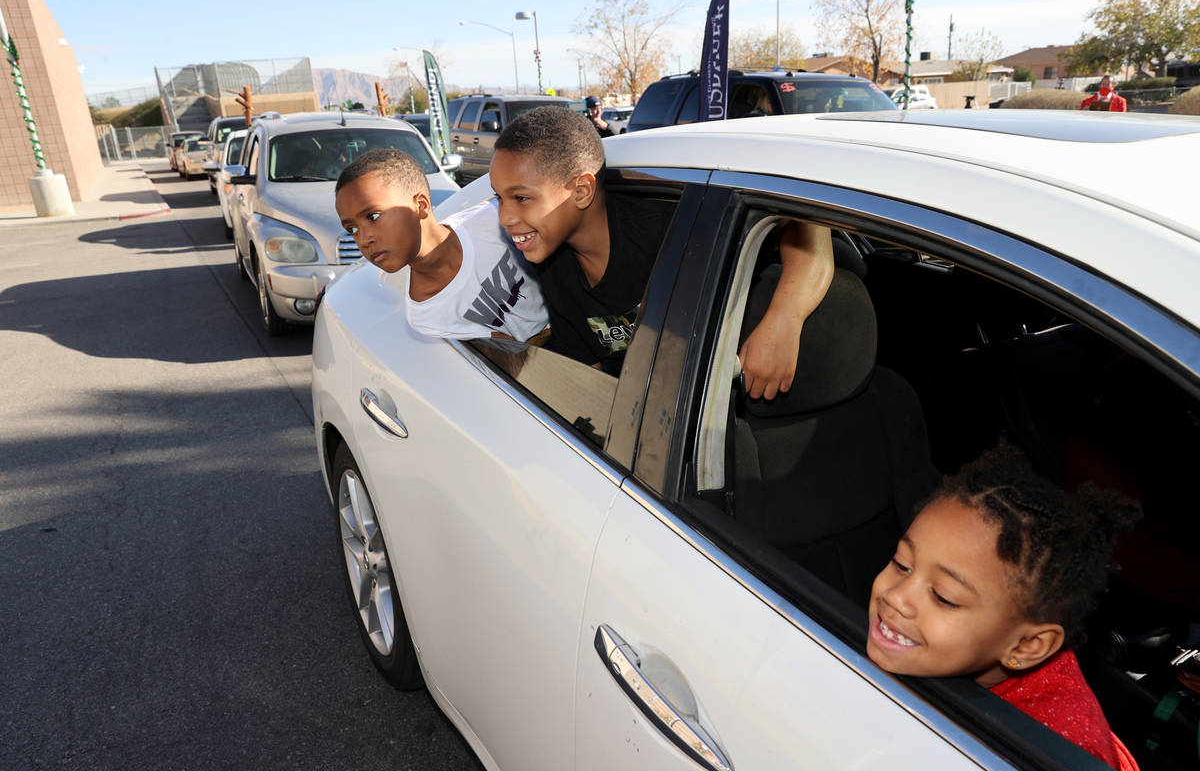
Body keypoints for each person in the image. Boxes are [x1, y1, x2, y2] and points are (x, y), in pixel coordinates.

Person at [490, 105, 833, 395]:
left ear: (581, 191)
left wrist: (784, 320)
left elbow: (806, 219)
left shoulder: (671, 226)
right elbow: (590, 380)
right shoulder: (555, 270)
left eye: (521, 198)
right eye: (499, 198)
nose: (505, 217)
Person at [867, 442, 1141, 770]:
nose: (896, 596)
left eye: (943, 597)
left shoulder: (1044, 753)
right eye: (902, 564)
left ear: (1026, 646)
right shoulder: (986, 643)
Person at [335, 148, 546, 341]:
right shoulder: (425, 316)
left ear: (420, 206)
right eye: (352, 229)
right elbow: (516, 355)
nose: (363, 240)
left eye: (373, 216)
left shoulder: (491, 219)